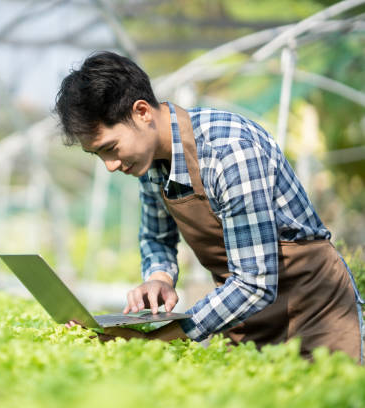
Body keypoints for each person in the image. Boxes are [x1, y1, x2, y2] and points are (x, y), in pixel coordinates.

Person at [54, 51, 364, 362]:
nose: (110, 165)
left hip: (314, 309)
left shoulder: (228, 152)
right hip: (245, 316)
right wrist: (159, 278)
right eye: (98, 155)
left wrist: (158, 339)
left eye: (110, 148)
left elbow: (254, 284)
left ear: (142, 112)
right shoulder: (148, 164)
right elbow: (157, 238)